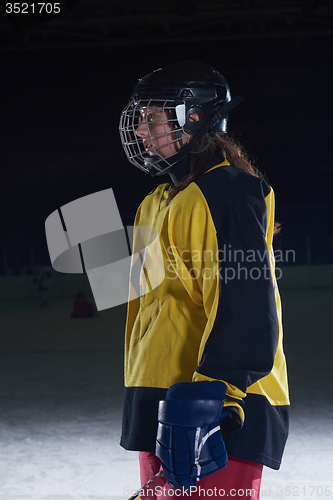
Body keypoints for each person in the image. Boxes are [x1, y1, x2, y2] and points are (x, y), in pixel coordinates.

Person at [119, 61, 289, 499]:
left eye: (150, 119)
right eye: (138, 120)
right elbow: (153, 311)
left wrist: (220, 396)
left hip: (211, 407)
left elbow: (246, 303)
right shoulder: (153, 203)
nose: (139, 132)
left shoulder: (228, 193)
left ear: (192, 119)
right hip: (159, 402)